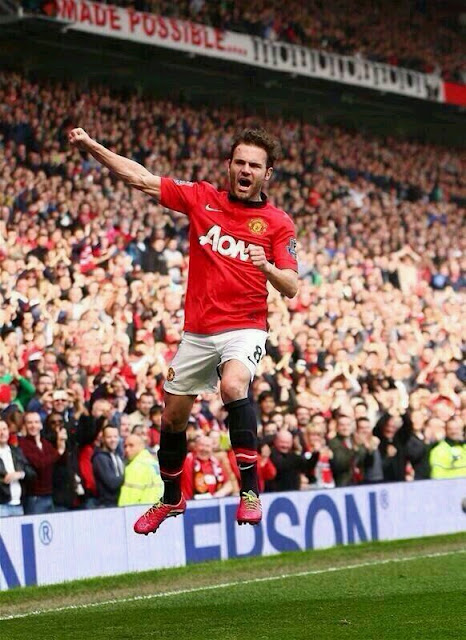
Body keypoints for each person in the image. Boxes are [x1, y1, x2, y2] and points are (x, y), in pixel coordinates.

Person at [69, 126, 298, 535]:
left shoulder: (277, 223)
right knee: (172, 418)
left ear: (268, 174)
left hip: (244, 327)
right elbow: (140, 178)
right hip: (198, 332)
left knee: (233, 385)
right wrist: (91, 146)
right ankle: (172, 496)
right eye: (240, 162)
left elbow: (292, 286)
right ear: (229, 165)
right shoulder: (201, 198)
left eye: (254, 165)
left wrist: (266, 266)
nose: (246, 170)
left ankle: (249, 491)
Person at [18, 411, 67, 514]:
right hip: (34, 497)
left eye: (36, 422)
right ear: (24, 425)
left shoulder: (45, 443)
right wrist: (59, 451)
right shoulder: (23, 444)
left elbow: (59, 460)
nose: (33, 426)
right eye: (30, 422)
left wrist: (61, 442)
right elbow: (39, 463)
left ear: (41, 425)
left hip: (49, 494)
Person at [0, 420, 36, 517]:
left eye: (4, 429)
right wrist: (4, 479)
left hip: (19, 504)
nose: (2, 433)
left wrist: (20, 474)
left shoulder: (17, 451)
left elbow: (31, 473)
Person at [181, 434, 234, 500]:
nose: (204, 449)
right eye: (202, 445)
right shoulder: (187, 460)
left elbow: (229, 484)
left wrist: (219, 494)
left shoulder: (215, 463)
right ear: (195, 447)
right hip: (190, 503)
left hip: (212, 503)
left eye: (207, 446)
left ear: (212, 448)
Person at [118, 434, 163, 508]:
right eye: (125, 446)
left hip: (140, 510)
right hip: (156, 510)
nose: (127, 449)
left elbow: (129, 498)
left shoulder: (135, 467)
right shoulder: (155, 463)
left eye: (131, 445)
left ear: (141, 446)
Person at [92, 425, 125, 507]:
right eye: (109, 437)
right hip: (107, 505)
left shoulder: (118, 456)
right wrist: (129, 475)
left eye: (115, 437)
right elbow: (112, 483)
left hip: (120, 502)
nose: (113, 440)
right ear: (103, 439)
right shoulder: (100, 458)